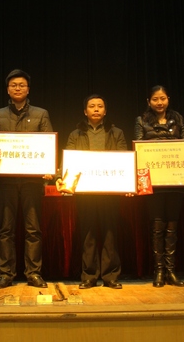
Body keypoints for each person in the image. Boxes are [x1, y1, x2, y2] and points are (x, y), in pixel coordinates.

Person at [0, 69, 53, 289]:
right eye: (14, 85)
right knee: (6, 229)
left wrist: (49, 167)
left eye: (22, 85)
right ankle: (6, 274)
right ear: (8, 90)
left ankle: (33, 273)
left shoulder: (41, 114)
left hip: (32, 181)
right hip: (6, 182)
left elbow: (48, 144)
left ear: (28, 89)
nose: (18, 88)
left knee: (33, 229)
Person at [61, 95, 126, 289]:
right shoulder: (75, 134)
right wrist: (64, 181)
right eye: (92, 106)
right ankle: (89, 275)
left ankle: (110, 276)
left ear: (105, 111)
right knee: (88, 234)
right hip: (85, 192)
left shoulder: (116, 133)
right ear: (85, 111)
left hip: (110, 191)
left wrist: (126, 183)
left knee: (110, 233)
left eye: (100, 106)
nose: (96, 109)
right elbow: (69, 161)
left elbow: (124, 160)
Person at [133, 85, 184, 287]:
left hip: (175, 181)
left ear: (168, 99)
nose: (159, 102)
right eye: (155, 99)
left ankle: (171, 271)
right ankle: (158, 271)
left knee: (172, 226)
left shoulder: (178, 119)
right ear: (149, 102)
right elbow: (138, 149)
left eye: (163, 98)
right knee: (157, 226)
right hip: (154, 183)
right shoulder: (141, 120)